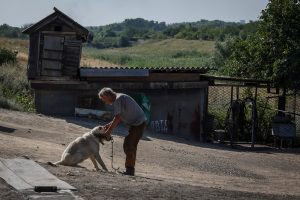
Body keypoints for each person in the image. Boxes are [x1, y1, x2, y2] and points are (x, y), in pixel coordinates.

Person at [98, 87, 147, 176]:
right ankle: (130, 169)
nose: (105, 102)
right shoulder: (119, 97)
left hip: (138, 124)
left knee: (129, 145)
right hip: (138, 123)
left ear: (108, 95)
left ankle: (130, 170)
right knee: (130, 145)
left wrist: (108, 132)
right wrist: (109, 125)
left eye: (104, 99)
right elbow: (118, 117)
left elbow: (118, 117)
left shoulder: (118, 99)